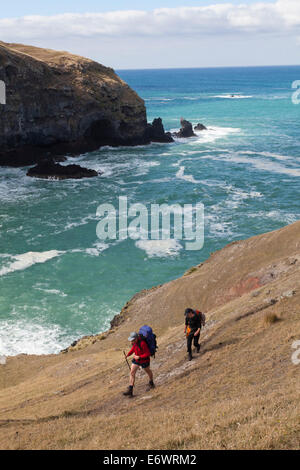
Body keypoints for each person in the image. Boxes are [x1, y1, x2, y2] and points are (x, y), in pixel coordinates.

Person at [123, 332, 155, 397]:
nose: (132, 342)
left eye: (133, 340)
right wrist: (128, 355)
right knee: (132, 373)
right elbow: (133, 349)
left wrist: (140, 357)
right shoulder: (134, 343)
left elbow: (148, 353)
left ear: (136, 339)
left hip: (144, 360)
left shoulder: (143, 343)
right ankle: (130, 390)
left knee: (148, 371)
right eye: (131, 340)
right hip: (136, 360)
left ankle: (151, 382)